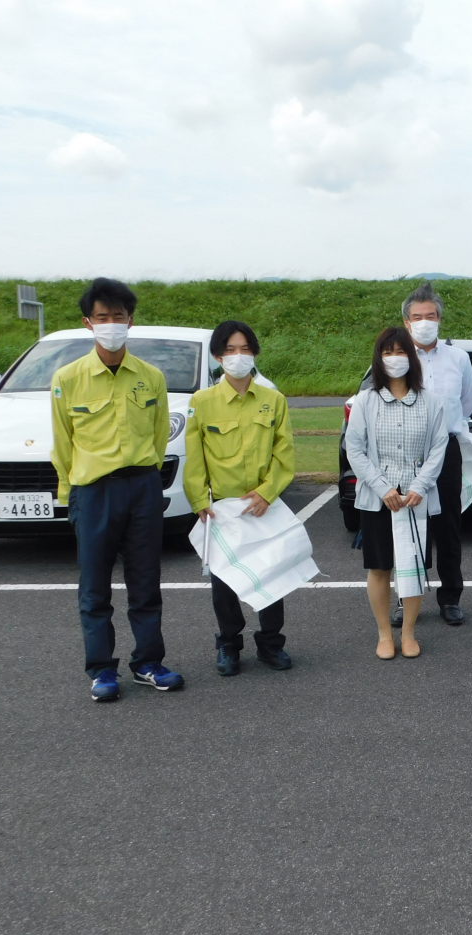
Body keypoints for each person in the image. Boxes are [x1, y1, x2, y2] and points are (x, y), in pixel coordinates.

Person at [50, 278, 183, 702]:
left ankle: (148, 662)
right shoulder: (68, 379)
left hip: (142, 487)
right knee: (95, 587)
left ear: (131, 321)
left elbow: (160, 435)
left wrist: (145, 478)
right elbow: (62, 441)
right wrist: (70, 496)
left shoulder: (151, 377)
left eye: (119, 317)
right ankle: (102, 670)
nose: (112, 325)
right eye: (103, 318)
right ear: (88, 323)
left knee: (146, 581)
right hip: (92, 492)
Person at [183, 320, 295, 676]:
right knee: (225, 583)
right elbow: (195, 457)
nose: (238, 356)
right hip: (222, 510)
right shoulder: (201, 403)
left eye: (245, 349)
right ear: (217, 356)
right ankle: (229, 645)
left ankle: (271, 644)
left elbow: (285, 454)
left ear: (255, 353)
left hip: (264, 505)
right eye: (230, 350)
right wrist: (200, 500)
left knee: (271, 574)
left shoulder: (273, 400)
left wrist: (266, 493)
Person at [343, 327, 448, 660]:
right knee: (380, 568)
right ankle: (384, 634)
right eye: (388, 352)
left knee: (414, 567)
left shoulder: (430, 401)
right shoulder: (365, 401)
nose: (394, 358)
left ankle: (408, 633)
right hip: (379, 501)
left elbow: (439, 447)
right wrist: (381, 486)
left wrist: (420, 486)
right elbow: (354, 449)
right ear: (379, 357)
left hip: (415, 500)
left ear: (412, 358)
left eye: (401, 351)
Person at [388, 282, 472, 628]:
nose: (425, 322)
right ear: (406, 322)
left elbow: (466, 404)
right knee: (408, 526)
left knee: (448, 526)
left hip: (447, 450)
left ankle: (451, 597)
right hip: (406, 450)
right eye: (417, 317)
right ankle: (405, 598)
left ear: (440, 319)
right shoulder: (396, 359)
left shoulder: (459, 358)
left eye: (431, 316)